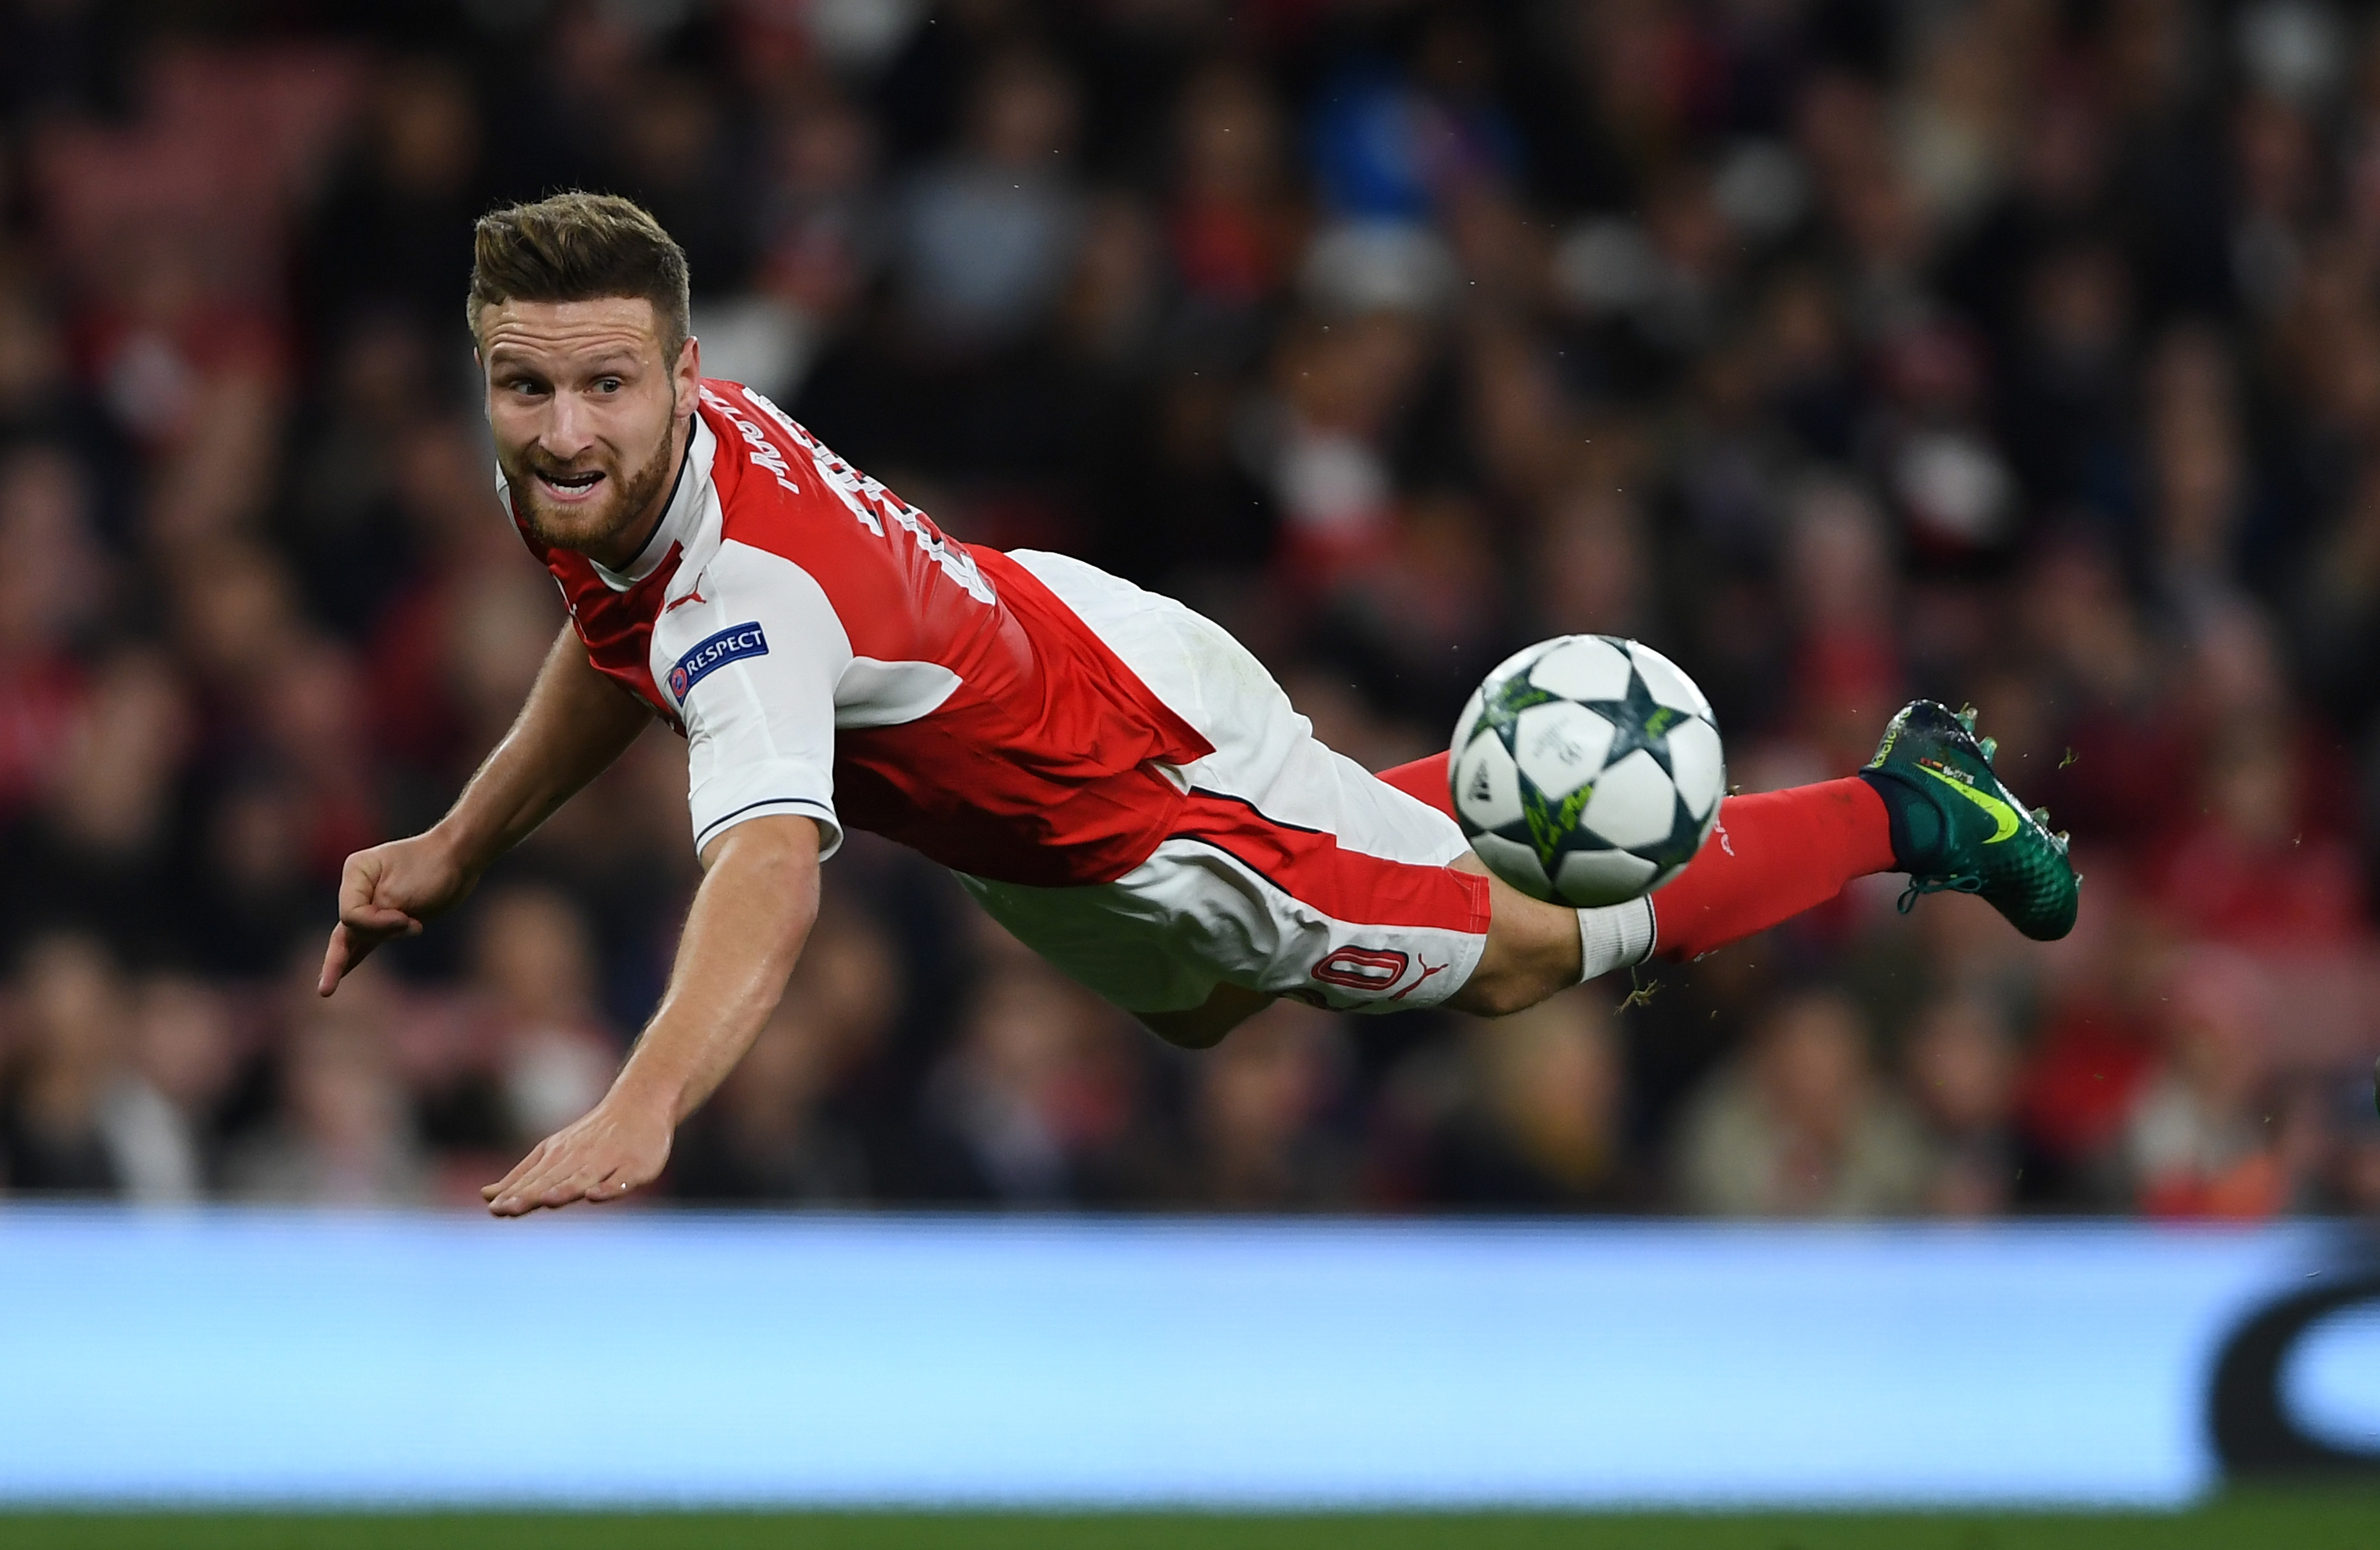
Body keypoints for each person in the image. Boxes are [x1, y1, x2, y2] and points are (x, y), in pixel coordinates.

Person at [315, 194, 2080, 1218]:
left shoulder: (750, 600)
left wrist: (649, 1103)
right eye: (524, 385)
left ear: (684, 372)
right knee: (1211, 1014)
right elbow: (619, 640)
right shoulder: (604, 469)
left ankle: (1911, 803)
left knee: (1536, 954)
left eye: (601, 387)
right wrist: (461, 845)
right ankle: (1370, 828)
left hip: (1141, 790)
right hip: (1038, 720)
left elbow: (769, 862)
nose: (559, 428)